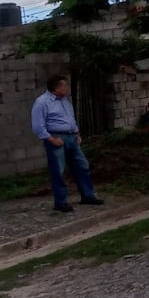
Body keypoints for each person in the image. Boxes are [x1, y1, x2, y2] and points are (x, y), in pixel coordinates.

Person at [31, 75, 105, 213]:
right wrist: (51, 139)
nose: (66, 88)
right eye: (64, 85)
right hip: (56, 138)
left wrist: (76, 133)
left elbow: (70, 119)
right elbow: (37, 125)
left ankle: (88, 195)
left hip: (72, 138)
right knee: (58, 171)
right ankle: (61, 202)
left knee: (82, 165)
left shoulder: (65, 101)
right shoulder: (42, 102)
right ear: (56, 87)